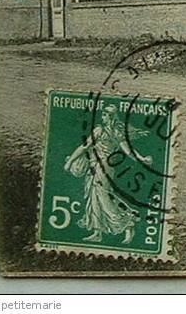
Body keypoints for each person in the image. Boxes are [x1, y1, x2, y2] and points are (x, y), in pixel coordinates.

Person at [63, 104, 150, 244]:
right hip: (94, 166)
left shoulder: (115, 132)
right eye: (103, 114)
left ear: (111, 117)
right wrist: (70, 161)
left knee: (104, 196)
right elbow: (85, 146)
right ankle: (97, 232)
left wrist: (141, 158)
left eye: (105, 115)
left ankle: (128, 223)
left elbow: (128, 150)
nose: (103, 117)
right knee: (94, 197)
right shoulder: (99, 130)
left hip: (104, 167)